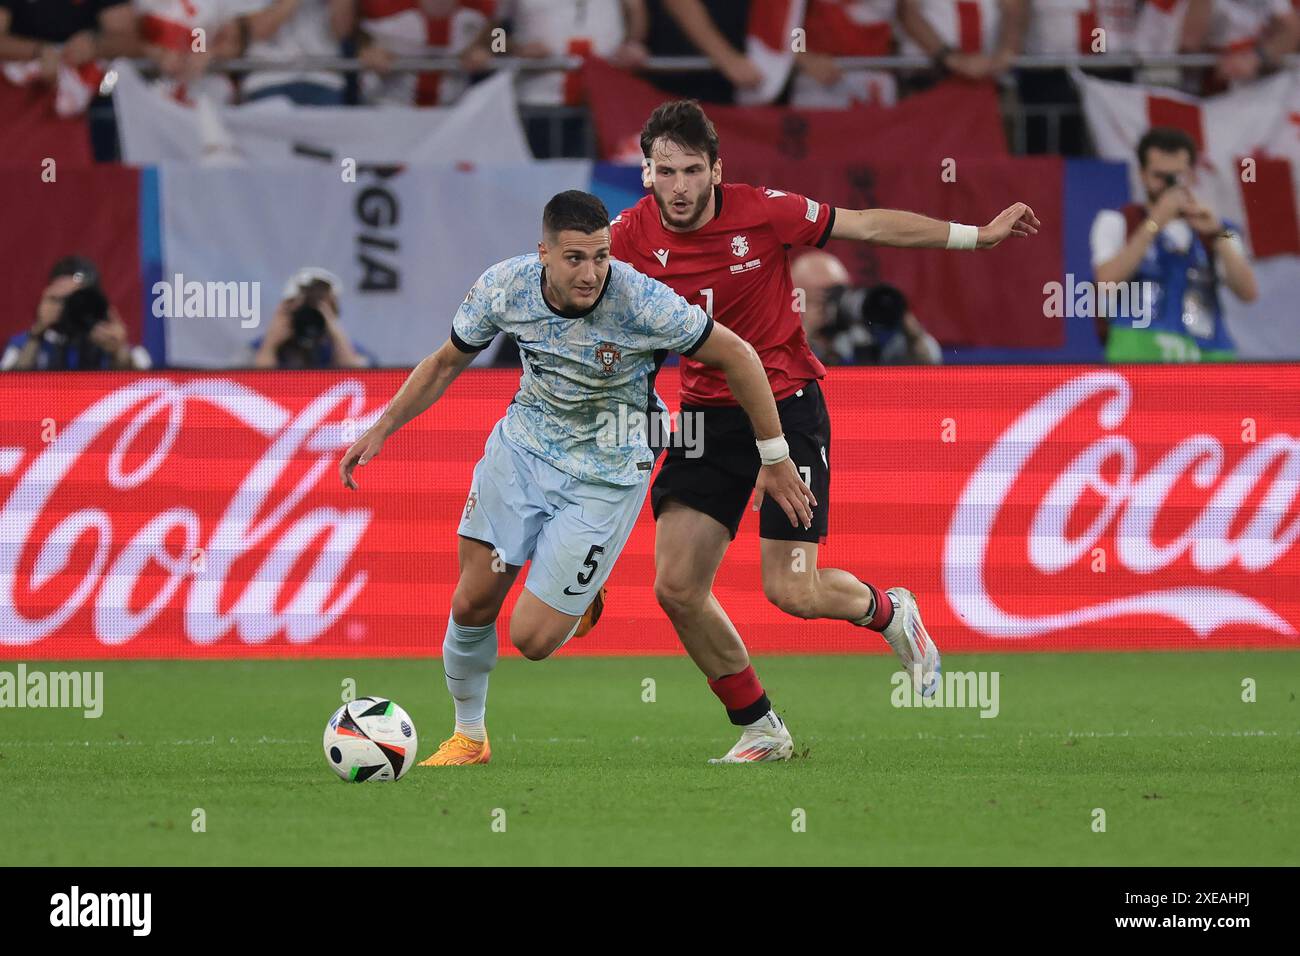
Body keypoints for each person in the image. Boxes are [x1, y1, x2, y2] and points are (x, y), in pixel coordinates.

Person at [610, 99, 1037, 762]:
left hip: (786, 405)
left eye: (693, 170)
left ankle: (893, 613)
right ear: (646, 173)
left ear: (717, 170)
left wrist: (975, 236)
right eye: (666, 172)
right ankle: (761, 727)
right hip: (705, 418)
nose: (681, 187)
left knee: (793, 590)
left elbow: (867, 224)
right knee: (676, 589)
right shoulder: (625, 238)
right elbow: (567, 285)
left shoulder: (761, 210)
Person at [337, 190, 812, 766]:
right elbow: (444, 363)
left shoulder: (641, 301)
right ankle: (469, 736)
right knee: (471, 602)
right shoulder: (503, 288)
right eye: (575, 259)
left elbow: (738, 354)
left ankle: (583, 590)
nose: (591, 274)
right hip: (523, 451)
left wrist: (774, 453)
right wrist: (383, 427)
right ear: (544, 254)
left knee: (532, 641)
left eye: (601, 257)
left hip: (606, 473)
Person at [1090, 126, 1257, 362]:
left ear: (1190, 175)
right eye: (1159, 176)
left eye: (1177, 176)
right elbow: (1105, 282)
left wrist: (1219, 233)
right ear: (1143, 174)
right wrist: (1154, 223)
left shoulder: (1219, 227)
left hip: (1206, 353)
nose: (1168, 185)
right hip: (1140, 353)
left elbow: (1248, 292)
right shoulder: (1117, 221)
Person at [2, 256, 152, 371]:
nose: (69, 306)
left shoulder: (121, 346)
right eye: (60, 299)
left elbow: (151, 393)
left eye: (77, 299)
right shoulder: (23, 344)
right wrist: (36, 335)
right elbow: (7, 396)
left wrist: (119, 351)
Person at [792, 249, 942, 365]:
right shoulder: (783, 346)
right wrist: (802, 337)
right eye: (822, 298)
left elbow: (930, 362)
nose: (834, 304)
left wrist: (912, 333)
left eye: (839, 293)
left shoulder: (863, 333)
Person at [252, 267, 373, 369]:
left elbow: (359, 384)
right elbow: (251, 388)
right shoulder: (258, 349)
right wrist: (270, 345)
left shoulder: (348, 349)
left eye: (322, 308)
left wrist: (335, 334)